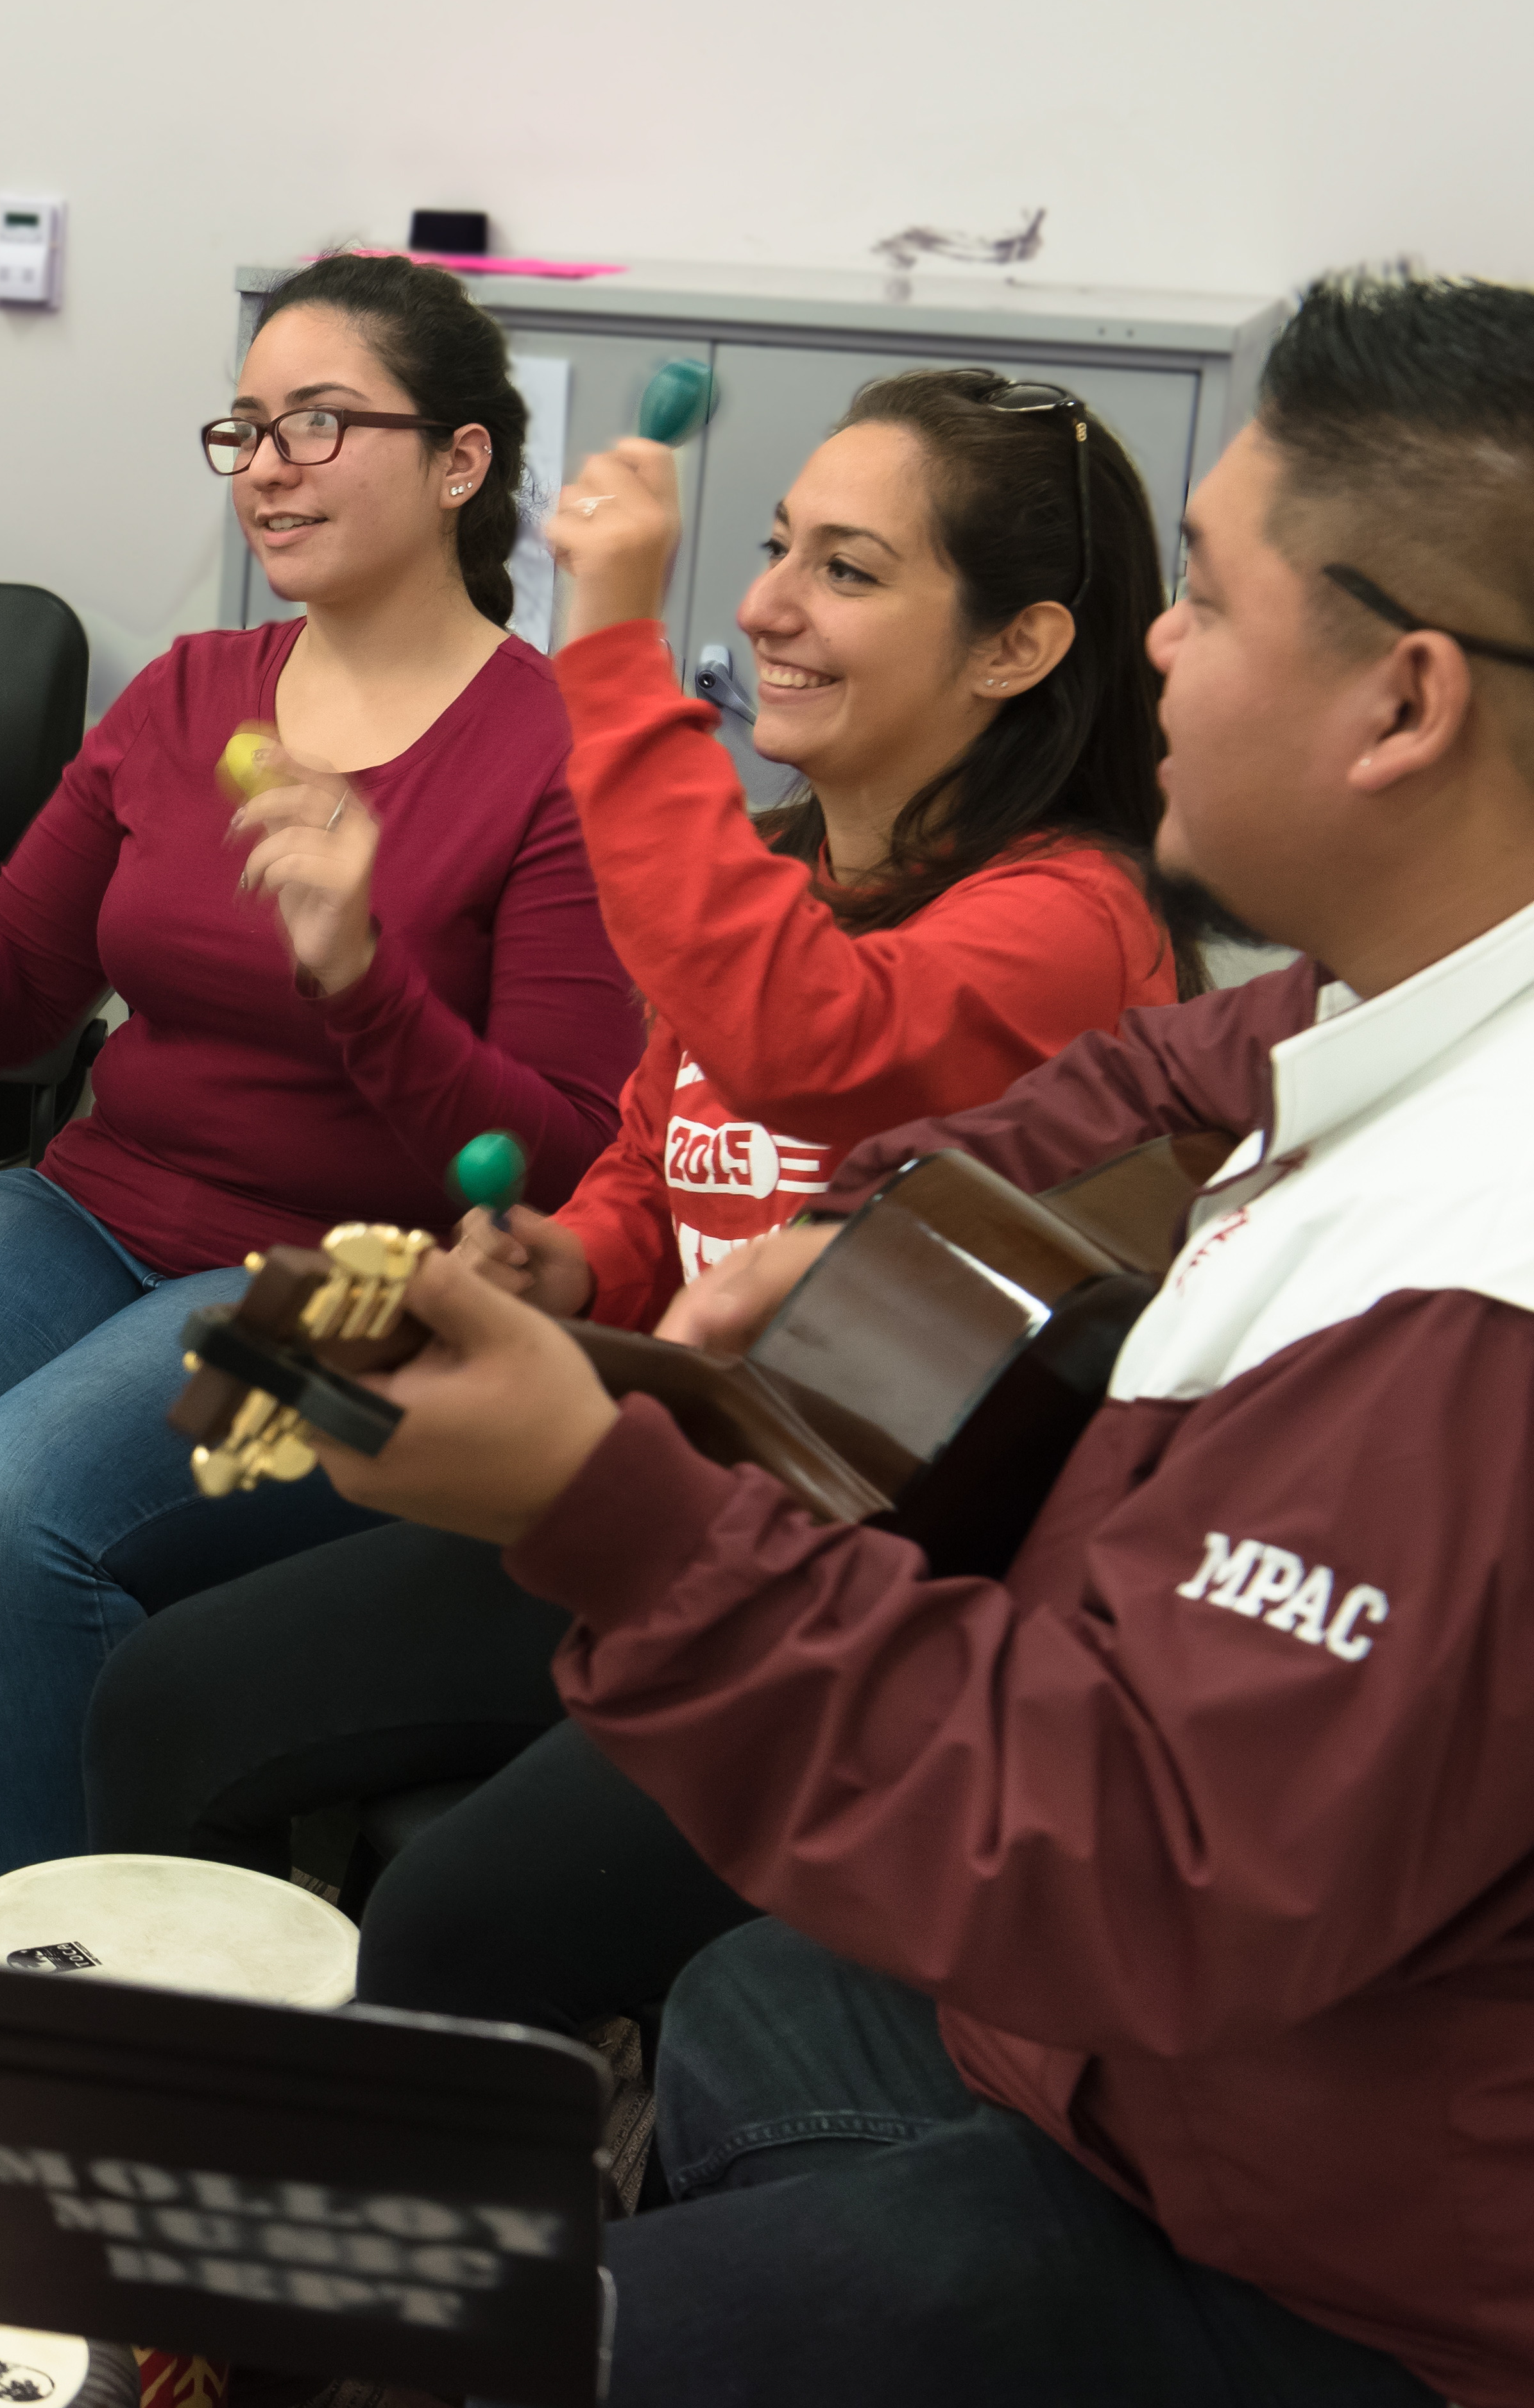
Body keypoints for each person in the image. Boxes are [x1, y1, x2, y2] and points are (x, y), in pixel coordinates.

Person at [328, 266, 1534, 2408]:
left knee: (518, 2350)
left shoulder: (1475, 1313)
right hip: (1152, 2036)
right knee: (751, 2014)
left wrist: (607, 1512)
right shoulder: (1387, 996)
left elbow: (1140, 1856)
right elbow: (1163, 1077)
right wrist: (850, 1222)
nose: (1169, 637)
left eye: (1220, 603)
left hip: (1324, 2246)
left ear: (1406, 702)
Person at [85, 370, 1185, 2048]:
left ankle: (429, 2258)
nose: (766, 606)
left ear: (1019, 649)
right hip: (659, 1500)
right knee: (170, 1703)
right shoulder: (774, 855)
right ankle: (192, 2167)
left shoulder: (1072, 921)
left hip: (853, 1609)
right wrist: (573, 1258)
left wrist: (605, 636)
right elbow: (654, 1158)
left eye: (850, 569)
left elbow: (796, 1034)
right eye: (770, 549)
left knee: (452, 1916)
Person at [0, 253, 646, 1917]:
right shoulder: (190, 694)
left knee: (4, 1520)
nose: (266, 463)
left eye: (319, 424)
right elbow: (7, 1020)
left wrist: (362, 976)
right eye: (246, 427)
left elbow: (558, 1165)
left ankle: (108, 2026)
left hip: (370, 1296)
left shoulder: (553, 754)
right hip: (101, 1215)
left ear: (465, 460)